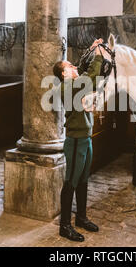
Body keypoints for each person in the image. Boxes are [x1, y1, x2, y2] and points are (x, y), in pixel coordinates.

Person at [53, 38, 104, 242]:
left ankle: (81, 218)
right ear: (64, 74)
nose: (74, 66)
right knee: (71, 182)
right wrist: (99, 56)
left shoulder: (73, 83)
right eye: (69, 66)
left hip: (85, 138)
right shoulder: (66, 87)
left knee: (83, 180)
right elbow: (90, 77)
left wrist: (91, 50)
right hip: (75, 141)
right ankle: (65, 226)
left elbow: (82, 68)